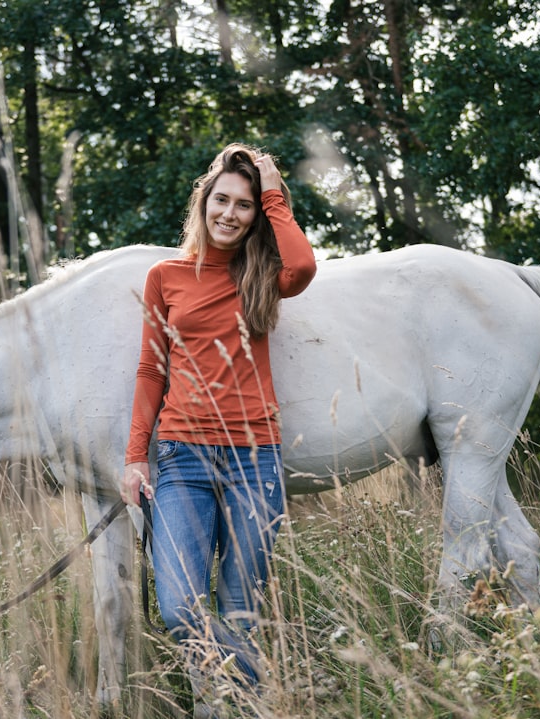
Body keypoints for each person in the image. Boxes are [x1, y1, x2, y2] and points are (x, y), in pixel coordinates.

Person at [121, 143, 317, 706]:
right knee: (180, 608)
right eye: (222, 200)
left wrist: (274, 188)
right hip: (182, 459)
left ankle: (234, 707)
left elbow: (302, 265)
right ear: (204, 201)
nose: (230, 213)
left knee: (240, 612)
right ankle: (237, 694)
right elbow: (150, 369)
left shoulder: (259, 273)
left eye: (246, 205)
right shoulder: (166, 275)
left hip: (256, 459)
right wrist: (136, 457)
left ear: (258, 214)